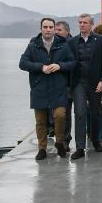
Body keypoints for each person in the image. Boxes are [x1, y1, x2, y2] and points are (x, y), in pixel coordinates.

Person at [19, 18, 76, 160]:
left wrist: (60, 66)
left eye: (51, 27)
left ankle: (60, 142)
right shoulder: (33, 45)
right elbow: (23, 63)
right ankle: (42, 149)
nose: (48, 30)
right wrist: (41, 67)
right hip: (39, 88)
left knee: (60, 115)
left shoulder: (63, 45)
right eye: (45, 27)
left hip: (58, 88)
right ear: (41, 29)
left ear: (54, 29)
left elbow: (72, 63)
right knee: (40, 121)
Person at [68, 13, 102, 158]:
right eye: (80, 22)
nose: (81, 25)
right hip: (79, 82)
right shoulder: (72, 42)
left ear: (91, 25)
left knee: (96, 112)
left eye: (85, 22)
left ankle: (95, 140)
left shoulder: (100, 40)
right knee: (80, 113)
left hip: (95, 82)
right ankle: (80, 147)